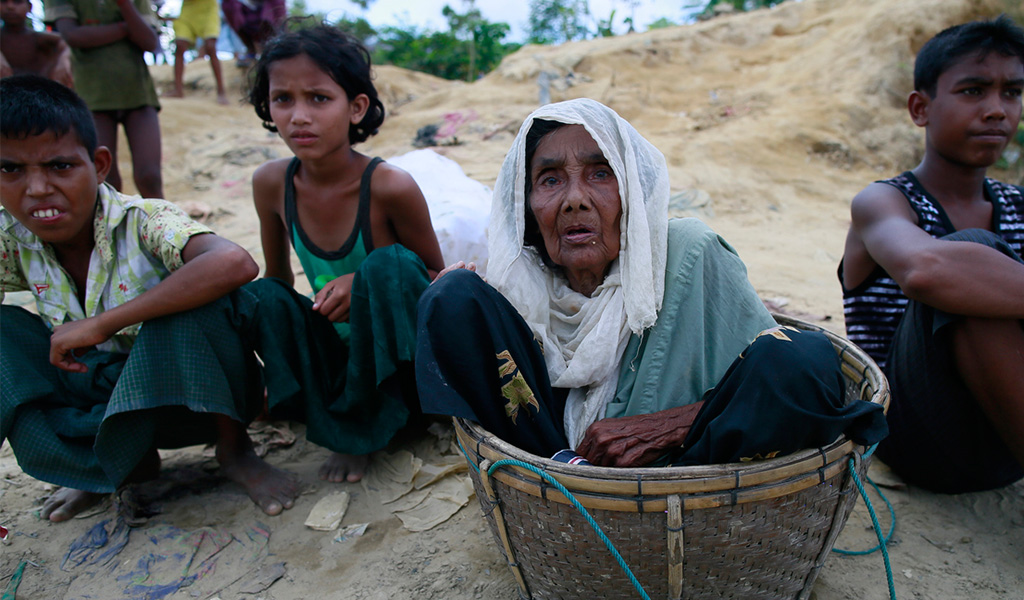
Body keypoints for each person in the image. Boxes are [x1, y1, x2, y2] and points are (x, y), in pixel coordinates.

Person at [417, 98, 886, 467]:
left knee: (801, 355)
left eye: (601, 174)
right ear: (526, 208)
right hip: (556, 462)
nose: (575, 200)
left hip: (688, 467)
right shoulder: (520, 288)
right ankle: (561, 474)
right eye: (550, 180)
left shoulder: (687, 254)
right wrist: (464, 310)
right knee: (452, 296)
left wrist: (670, 425)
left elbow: (802, 380)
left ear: (632, 195)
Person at [0, 75, 370, 521]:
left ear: (99, 165)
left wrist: (103, 322)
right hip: (100, 397)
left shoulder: (142, 221)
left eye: (60, 166)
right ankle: (112, 466)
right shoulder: (13, 238)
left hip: (188, 396)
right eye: (11, 170)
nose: (38, 188)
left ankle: (234, 452)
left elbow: (235, 263)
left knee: (197, 303)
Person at [247, 25, 445, 482]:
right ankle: (324, 407)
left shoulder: (389, 185)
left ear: (356, 108)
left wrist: (360, 286)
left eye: (318, 98)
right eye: (283, 99)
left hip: (397, 361)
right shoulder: (271, 184)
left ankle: (362, 428)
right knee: (262, 297)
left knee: (389, 264)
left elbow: (436, 277)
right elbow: (279, 283)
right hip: (337, 357)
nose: (299, 116)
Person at [839, 16, 1024, 493]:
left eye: (1012, 92)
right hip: (920, 441)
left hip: (1006, 441)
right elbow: (926, 271)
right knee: (970, 262)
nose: (997, 110)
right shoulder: (883, 202)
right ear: (921, 108)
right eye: (973, 91)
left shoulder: (1018, 207)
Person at [45, 0, 164, 198]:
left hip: (137, 92)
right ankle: (112, 228)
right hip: (93, 96)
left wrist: (124, 5)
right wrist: (125, 28)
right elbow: (73, 36)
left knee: (150, 177)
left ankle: (163, 227)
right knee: (106, 179)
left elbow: (150, 42)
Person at [164, 0, 229, 105]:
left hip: (208, 9)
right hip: (188, 10)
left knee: (211, 47)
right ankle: (178, 90)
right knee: (180, 46)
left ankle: (221, 91)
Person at [1, 0, 72, 86]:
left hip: (39, 92)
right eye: (3, 1)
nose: (10, 7)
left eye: (17, 2)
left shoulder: (40, 38)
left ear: (30, 7)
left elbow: (67, 42)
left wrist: (64, 58)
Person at [221, 0, 283, 64]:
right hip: (247, 12)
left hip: (267, 14)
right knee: (229, 4)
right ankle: (251, 50)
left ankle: (276, 48)